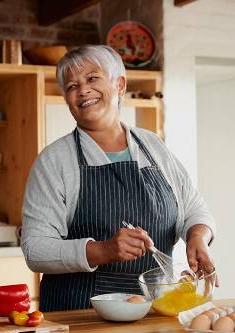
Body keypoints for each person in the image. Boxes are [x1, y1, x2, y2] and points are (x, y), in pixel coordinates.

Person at [21, 45, 217, 312]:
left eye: (92, 79)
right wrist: (103, 250)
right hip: (81, 316)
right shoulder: (54, 161)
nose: (82, 91)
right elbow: (36, 250)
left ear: (120, 85)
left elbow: (194, 209)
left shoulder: (153, 146)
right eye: (71, 86)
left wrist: (197, 237)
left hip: (155, 310)